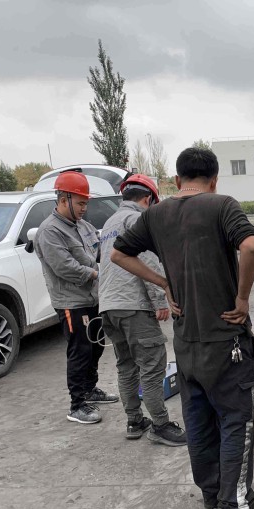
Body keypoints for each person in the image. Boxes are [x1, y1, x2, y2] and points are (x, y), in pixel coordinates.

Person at [111, 147, 254, 509]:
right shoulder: (222, 205)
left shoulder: (155, 214)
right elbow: (250, 246)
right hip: (226, 341)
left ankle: (212, 493)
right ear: (214, 179)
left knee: (198, 419)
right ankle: (235, 507)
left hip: (186, 343)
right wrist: (242, 298)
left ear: (177, 178)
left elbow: (118, 254)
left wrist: (164, 282)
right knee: (235, 419)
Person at [98, 173, 188, 446]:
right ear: (148, 199)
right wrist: (160, 299)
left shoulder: (110, 222)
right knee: (152, 364)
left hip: (109, 306)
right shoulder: (138, 219)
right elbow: (148, 259)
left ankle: (134, 420)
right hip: (133, 305)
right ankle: (160, 425)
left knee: (126, 364)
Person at [34, 170, 118, 424]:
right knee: (80, 350)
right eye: (81, 203)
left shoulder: (83, 226)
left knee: (96, 345)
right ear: (64, 200)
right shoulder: (50, 231)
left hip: (92, 298)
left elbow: (100, 250)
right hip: (72, 302)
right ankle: (77, 404)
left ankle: (90, 389)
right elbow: (65, 267)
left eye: (86, 203)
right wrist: (97, 274)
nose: (84, 208)